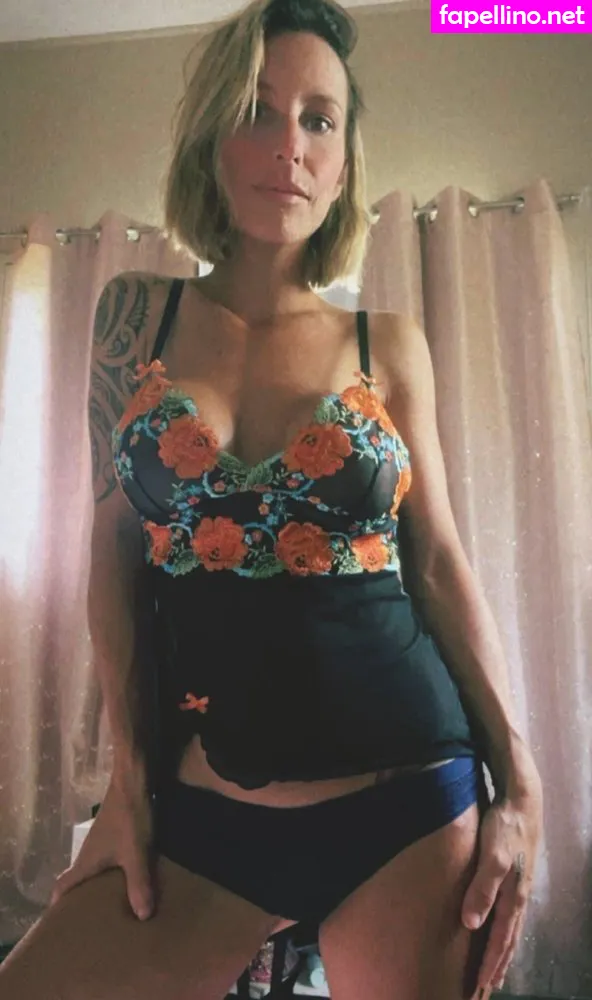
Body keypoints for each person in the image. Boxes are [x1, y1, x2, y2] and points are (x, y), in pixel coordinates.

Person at [0, 0, 543, 997]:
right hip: (208, 816)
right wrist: (127, 787)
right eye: (258, 109)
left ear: (341, 164)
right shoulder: (133, 317)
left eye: (318, 119)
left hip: (407, 806)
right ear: (211, 134)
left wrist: (523, 785)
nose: (289, 144)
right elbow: (111, 558)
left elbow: (437, 562)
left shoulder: (388, 344)